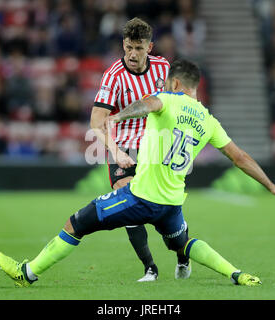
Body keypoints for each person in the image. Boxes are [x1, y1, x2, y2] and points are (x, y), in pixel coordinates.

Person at [0, 59, 275, 288]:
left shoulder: (167, 99)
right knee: (183, 243)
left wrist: (118, 116)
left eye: (167, 84)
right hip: (172, 202)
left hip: (142, 197)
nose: (164, 87)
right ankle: (237, 274)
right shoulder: (209, 120)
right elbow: (239, 157)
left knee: (75, 224)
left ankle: (27, 274)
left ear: (176, 84)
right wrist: (271, 185)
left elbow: (146, 103)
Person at [90, 17, 183, 282]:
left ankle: (182, 254)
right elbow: (96, 122)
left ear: (150, 47)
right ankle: (150, 268)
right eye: (129, 47)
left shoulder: (164, 69)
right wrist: (116, 151)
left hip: (158, 147)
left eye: (139, 48)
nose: (132, 54)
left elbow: (177, 104)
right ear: (123, 45)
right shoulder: (113, 76)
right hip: (125, 149)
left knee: (166, 212)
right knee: (127, 202)